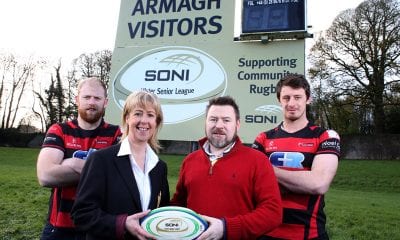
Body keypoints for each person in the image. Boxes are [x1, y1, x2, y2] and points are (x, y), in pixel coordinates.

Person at [170, 96, 283, 240]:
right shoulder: (190, 160)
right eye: (213, 119)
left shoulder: (258, 161)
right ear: (206, 122)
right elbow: (179, 205)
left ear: (237, 124)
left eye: (226, 120)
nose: (219, 125)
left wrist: (226, 228)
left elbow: (273, 213)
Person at [71, 91, 170, 240]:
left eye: (150, 115)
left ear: (156, 122)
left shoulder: (159, 167)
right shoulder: (101, 160)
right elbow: (82, 213)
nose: (144, 120)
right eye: (138, 113)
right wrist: (122, 224)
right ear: (127, 118)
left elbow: (160, 214)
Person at [252, 74, 341, 240]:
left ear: (308, 99)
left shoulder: (326, 136)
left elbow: (318, 184)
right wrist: (300, 183)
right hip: (265, 232)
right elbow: (253, 185)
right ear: (279, 100)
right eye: (286, 98)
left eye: (297, 97)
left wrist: (267, 171)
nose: (291, 103)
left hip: (310, 233)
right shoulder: (263, 138)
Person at [36, 77, 122, 240]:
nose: (92, 102)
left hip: (99, 225)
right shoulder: (59, 130)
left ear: (105, 102)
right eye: (86, 97)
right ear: (77, 100)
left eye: (97, 98)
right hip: (60, 228)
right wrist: (101, 172)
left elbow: (120, 176)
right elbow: (45, 176)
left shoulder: (116, 134)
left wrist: (72, 163)